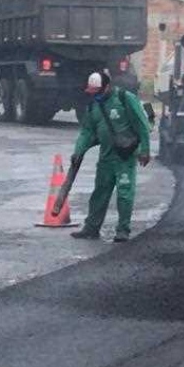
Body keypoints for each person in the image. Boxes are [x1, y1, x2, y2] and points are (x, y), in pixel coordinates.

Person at [69, 72, 153, 243]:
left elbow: (142, 124)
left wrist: (145, 149)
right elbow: (87, 132)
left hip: (124, 156)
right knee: (99, 192)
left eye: (97, 92)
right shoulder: (93, 107)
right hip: (106, 158)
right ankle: (91, 227)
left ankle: (123, 230)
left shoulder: (125, 99)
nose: (95, 95)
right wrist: (78, 151)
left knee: (124, 194)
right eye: (92, 92)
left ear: (107, 87)